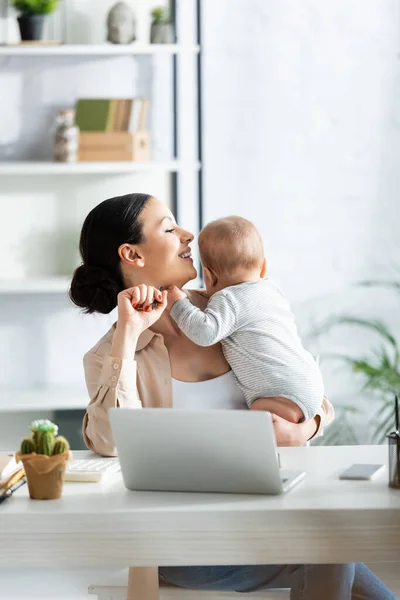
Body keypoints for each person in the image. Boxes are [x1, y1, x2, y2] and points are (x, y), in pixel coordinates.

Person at [70, 193, 395, 600]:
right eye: (170, 228)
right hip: (186, 542)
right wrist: (129, 334)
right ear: (132, 254)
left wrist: (306, 426)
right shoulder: (110, 354)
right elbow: (108, 442)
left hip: (267, 516)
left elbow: (305, 386)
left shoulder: (232, 306)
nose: (189, 235)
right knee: (330, 547)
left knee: (336, 544)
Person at [168, 215, 324, 424]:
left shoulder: (228, 299)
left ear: (209, 276)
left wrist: (178, 305)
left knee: (256, 426)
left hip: (280, 393)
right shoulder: (271, 290)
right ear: (263, 267)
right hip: (310, 382)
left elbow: (205, 332)